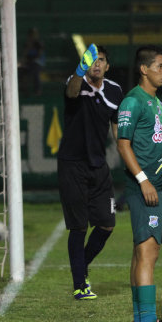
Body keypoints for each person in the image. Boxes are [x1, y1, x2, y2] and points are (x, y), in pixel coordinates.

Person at [116, 45, 162, 322]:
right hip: (146, 188)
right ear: (144, 69)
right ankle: (146, 321)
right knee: (147, 252)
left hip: (161, 185)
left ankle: (143, 319)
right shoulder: (133, 101)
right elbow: (123, 144)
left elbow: (153, 145)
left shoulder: (155, 101)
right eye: (160, 66)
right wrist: (143, 180)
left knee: (146, 251)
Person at [58, 44, 123, 300]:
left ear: (107, 66)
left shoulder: (116, 91)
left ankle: (81, 264)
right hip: (71, 164)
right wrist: (79, 70)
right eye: (92, 60)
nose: (96, 64)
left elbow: (117, 127)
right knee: (79, 227)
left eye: (101, 60)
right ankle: (79, 284)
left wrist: (127, 154)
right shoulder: (76, 82)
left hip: (99, 165)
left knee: (107, 224)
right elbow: (72, 92)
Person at [19, 27, 45, 96]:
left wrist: (30, 59)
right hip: (29, 63)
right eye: (32, 34)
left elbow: (39, 55)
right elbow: (24, 55)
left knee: (35, 71)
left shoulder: (39, 43)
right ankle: (24, 90)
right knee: (21, 70)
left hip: (37, 63)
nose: (33, 36)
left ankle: (37, 91)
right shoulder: (27, 44)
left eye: (35, 34)